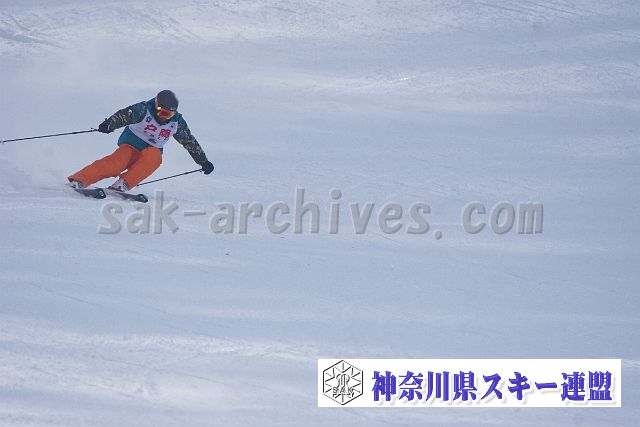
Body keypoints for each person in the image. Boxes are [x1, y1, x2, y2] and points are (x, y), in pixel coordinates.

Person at [68, 90, 214, 191]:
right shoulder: (144, 109)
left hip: (151, 151)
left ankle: (123, 184)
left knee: (155, 158)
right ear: (156, 106)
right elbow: (125, 115)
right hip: (131, 145)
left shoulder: (177, 123)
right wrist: (110, 124)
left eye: (169, 114)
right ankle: (80, 179)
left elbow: (189, 141)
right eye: (162, 112)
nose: (164, 117)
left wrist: (203, 161)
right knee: (115, 164)